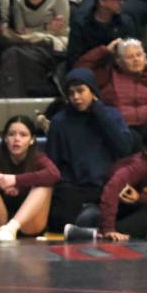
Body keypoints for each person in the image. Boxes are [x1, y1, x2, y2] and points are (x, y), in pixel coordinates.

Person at [64, 120, 147, 242]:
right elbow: (111, 190)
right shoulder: (138, 166)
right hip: (113, 207)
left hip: (140, 211)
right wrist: (108, 229)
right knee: (87, 218)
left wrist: (139, 198)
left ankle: (94, 235)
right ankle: (146, 234)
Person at [46, 67, 132, 233]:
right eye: (71, 93)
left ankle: (92, 221)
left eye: (80, 91)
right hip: (75, 187)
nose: (76, 97)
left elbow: (124, 148)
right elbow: (53, 162)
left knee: (131, 203)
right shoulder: (60, 121)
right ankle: (92, 221)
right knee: (59, 219)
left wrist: (99, 111)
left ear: (92, 91)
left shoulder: (111, 115)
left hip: (107, 186)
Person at [0, 115, 60, 242]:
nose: (16, 139)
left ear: (32, 140)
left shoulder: (37, 157)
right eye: (12, 134)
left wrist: (16, 180)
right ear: (6, 138)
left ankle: (11, 228)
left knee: (45, 184)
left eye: (23, 135)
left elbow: (54, 174)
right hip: (0, 220)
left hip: (28, 224)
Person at [74, 37, 147, 140]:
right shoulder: (108, 75)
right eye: (130, 57)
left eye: (139, 55)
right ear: (119, 61)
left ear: (145, 56)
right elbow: (79, 71)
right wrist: (104, 50)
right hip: (118, 131)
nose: (136, 59)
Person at [0, 0, 68, 98]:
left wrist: (34, 32)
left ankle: (11, 98)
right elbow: (22, 33)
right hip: (27, 44)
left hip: (52, 45)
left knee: (13, 53)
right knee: (10, 52)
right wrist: (45, 28)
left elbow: (61, 30)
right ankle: (8, 100)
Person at [66, 0, 139, 69]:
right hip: (89, 70)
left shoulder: (126, 22)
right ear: (102, 1)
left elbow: (134, 50)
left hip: (118, 69)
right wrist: (104, 51)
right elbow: (73, 60)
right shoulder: (80, 23)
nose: (121, 2)